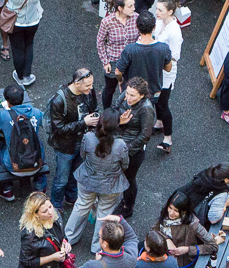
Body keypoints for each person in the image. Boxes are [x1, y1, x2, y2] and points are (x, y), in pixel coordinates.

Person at [64, 110, 128, 249]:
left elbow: (83, 155)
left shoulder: (88, 137)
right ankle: (97, 245)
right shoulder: (120, 144)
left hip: (88, 179)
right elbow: (125, 164)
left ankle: (69, 237)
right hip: (111, 184)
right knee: (105, 212)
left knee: (81, 205)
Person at [47, 68, 99, 209]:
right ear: (77, 84)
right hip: (65, 146)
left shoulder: (88, 93)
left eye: (91, 84)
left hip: (82, 142)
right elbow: (58, 129)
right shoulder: (59, 100)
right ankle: (56, 206)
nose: (91, 88)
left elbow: (94, 110)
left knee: (76, 175)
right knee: (61, 179)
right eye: (88, 85)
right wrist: (84, 123)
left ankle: (71, 198)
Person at [0, 84, 47, 201]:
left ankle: (7, 189)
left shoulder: (4, 115)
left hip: (13, 166)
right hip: (36, 164)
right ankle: (40, 186)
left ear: (7, 101)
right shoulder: (36, 112)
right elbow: (47, 124)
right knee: (39, 144)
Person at [112, 77, 155, 218]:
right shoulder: (125, 96)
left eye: (132, 95)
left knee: (129, 179)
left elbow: (145, 136)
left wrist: (126, 149)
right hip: (119, 141)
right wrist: (120, 121)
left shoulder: (146, 109)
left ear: (142, 95)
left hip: (133, 151)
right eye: (127, 93)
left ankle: (128, 206)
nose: (128, 98)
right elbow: (115, 109)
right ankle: (124, 201)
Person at [153, 190, 219, 268]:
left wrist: (188, 249)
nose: (171, 213)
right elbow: (154, 230)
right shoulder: (165, 213)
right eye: (170, 207)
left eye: (176, 210)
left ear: (184, 212)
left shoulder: (193, 224)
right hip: (161, 256)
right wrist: (166, 239)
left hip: (181, 264)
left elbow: (213, 246)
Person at [3, 0, 44, 87]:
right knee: (29, 45)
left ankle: (20, 76)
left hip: (15, 21)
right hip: (33, 20)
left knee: (17, 48)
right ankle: (27, 75)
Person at [96, 0, 141, 109]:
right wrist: (105, 62)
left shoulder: (136, 18)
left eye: (134, 5)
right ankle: (107, 113)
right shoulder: (107, 22)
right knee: (109, 89)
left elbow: (139, 38)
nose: (134, 8)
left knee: (129, 90)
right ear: (120, 8)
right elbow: (100, 42)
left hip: (131, 62)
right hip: (114, 61)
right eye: (130, 6)